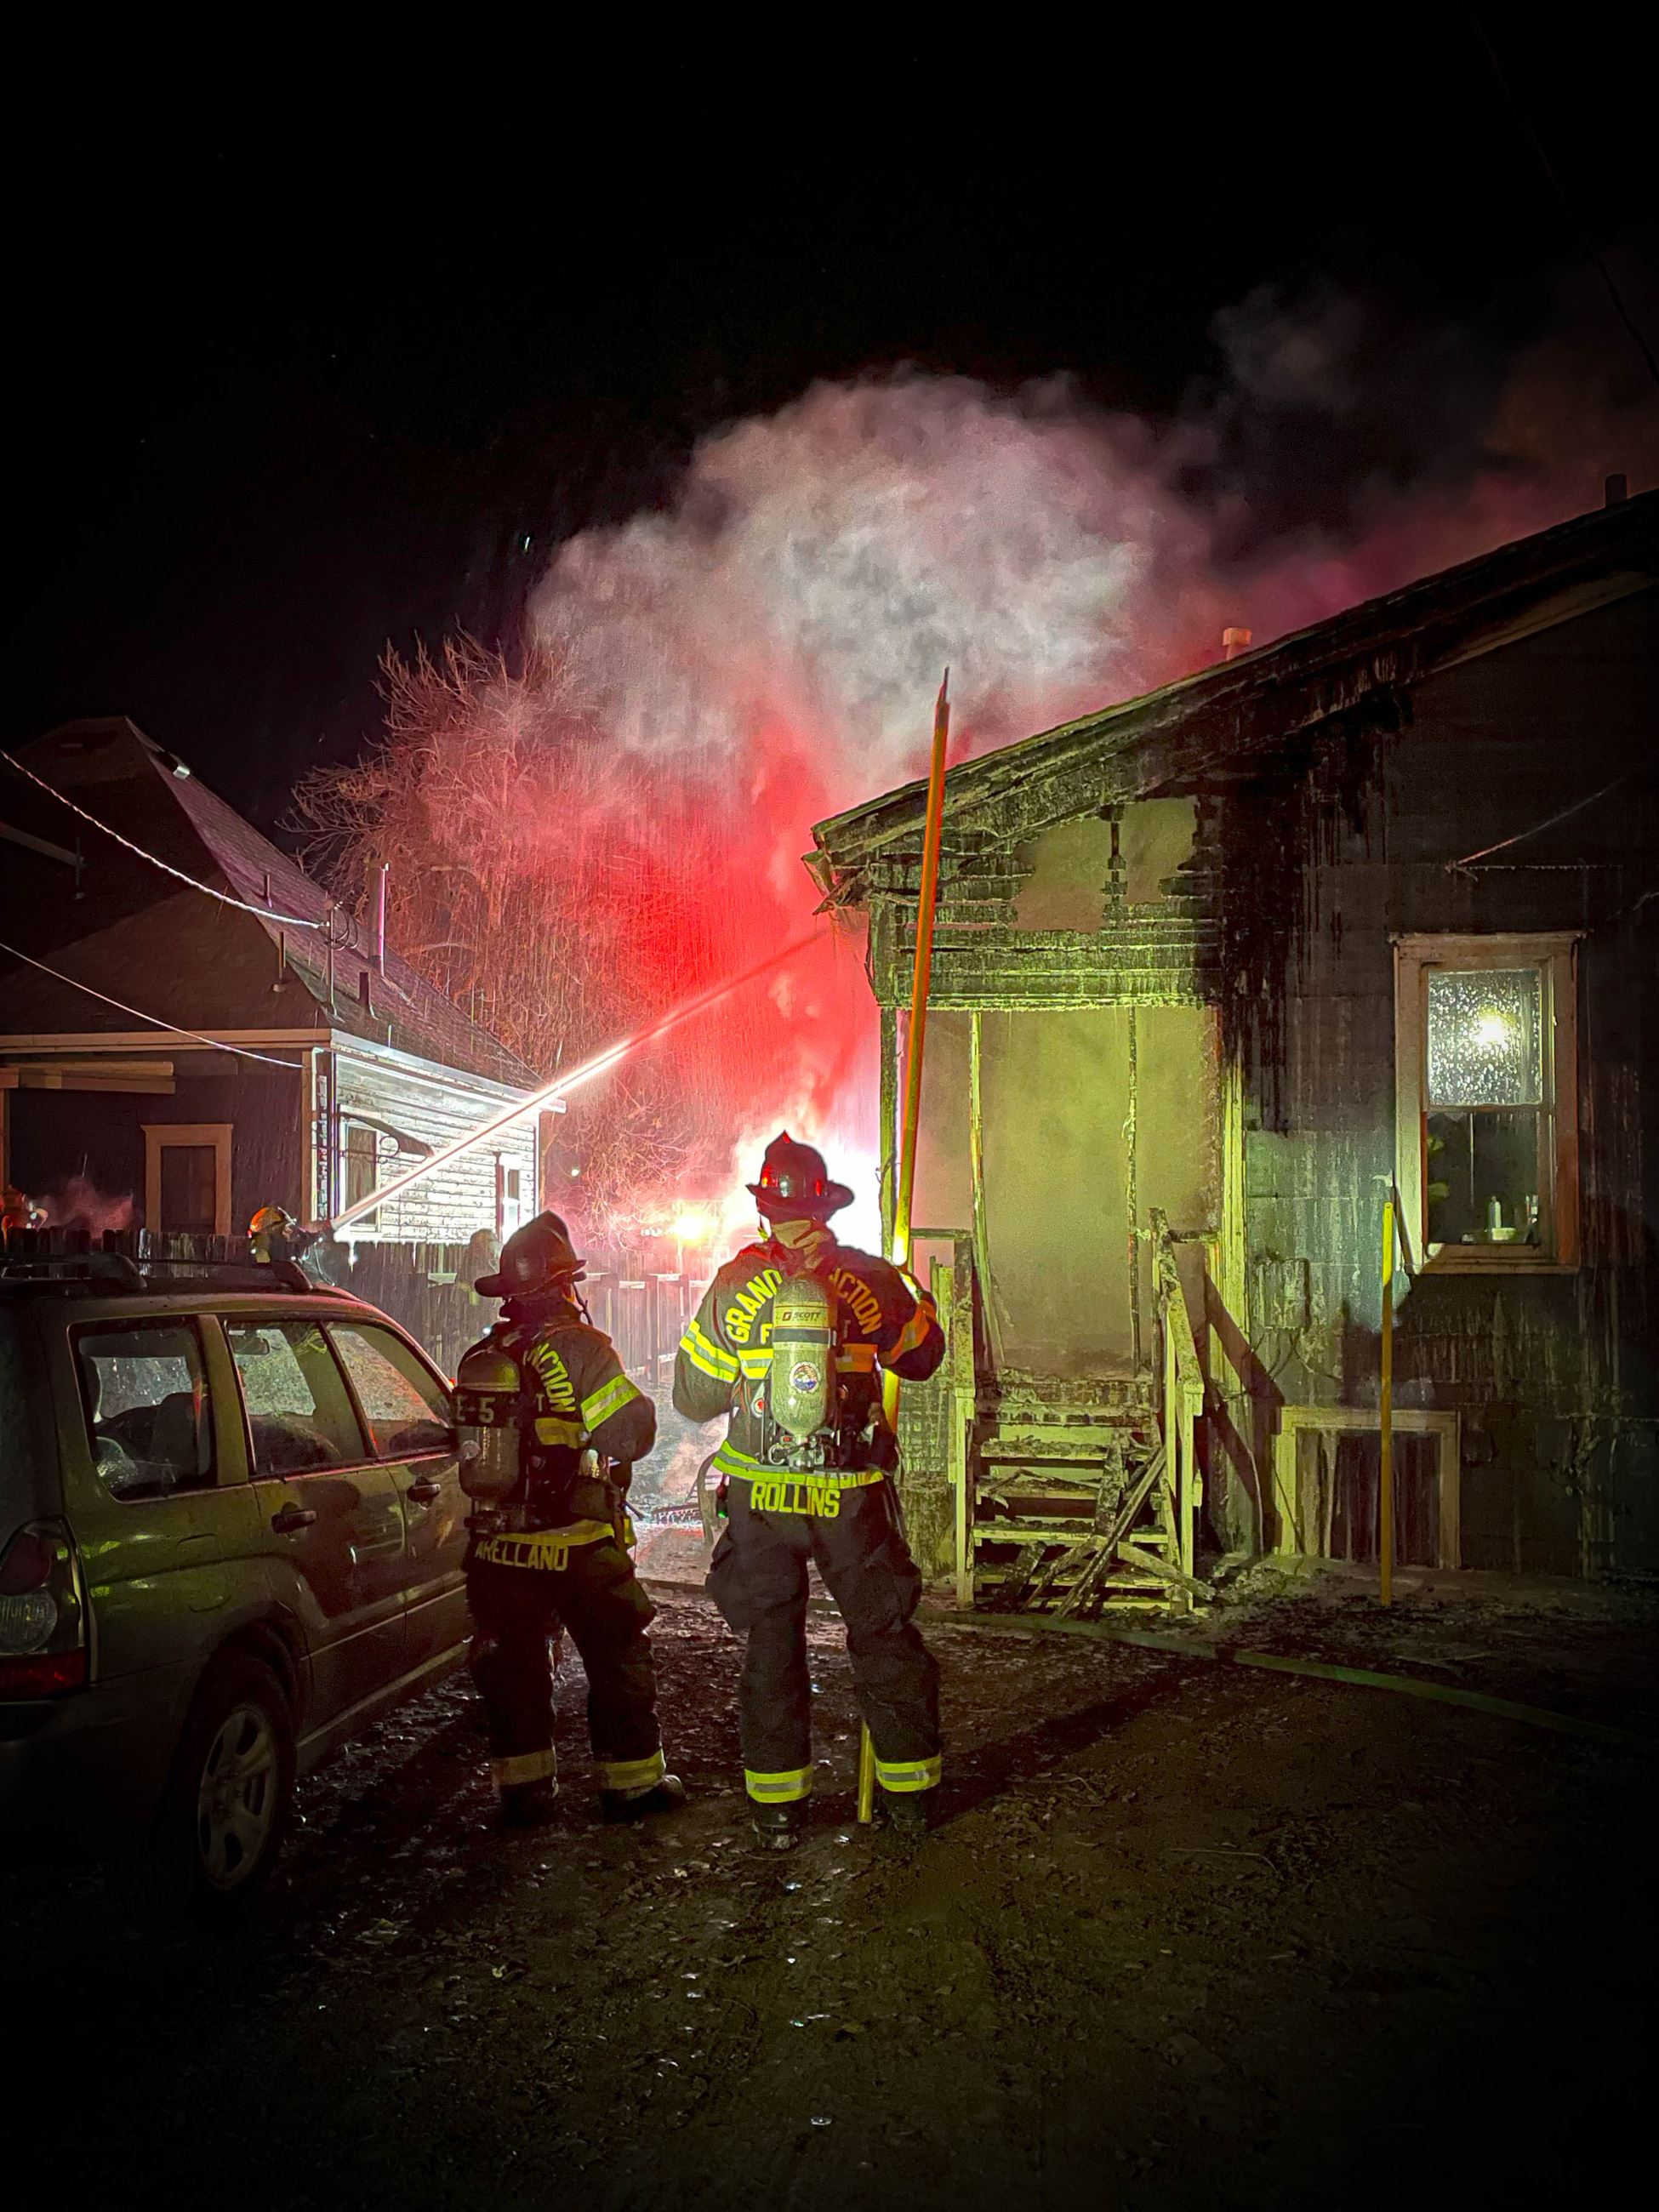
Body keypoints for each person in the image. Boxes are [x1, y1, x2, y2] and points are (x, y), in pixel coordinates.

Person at [673, 1132, 946, 1849]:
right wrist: (908, 1296)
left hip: (762, 1502)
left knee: (772, 1643)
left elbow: (693, 1398)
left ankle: (777, 1810)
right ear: (826, 1207)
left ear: (765, 1210)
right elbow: (924, 1358)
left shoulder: (734, 1282)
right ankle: (910, 1797)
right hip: (849, 1498)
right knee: (883, 1637)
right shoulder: (871, 1277)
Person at [460, 1211, 685, 1829]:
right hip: (576, 1544)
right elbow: (629, 1434)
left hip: (498, 1549)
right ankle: (632, 1785)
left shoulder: (484, 1353)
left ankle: (524, 1791)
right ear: (564, 1285)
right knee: (616, 1656)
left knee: (515, 1666)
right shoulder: (583, 1348)